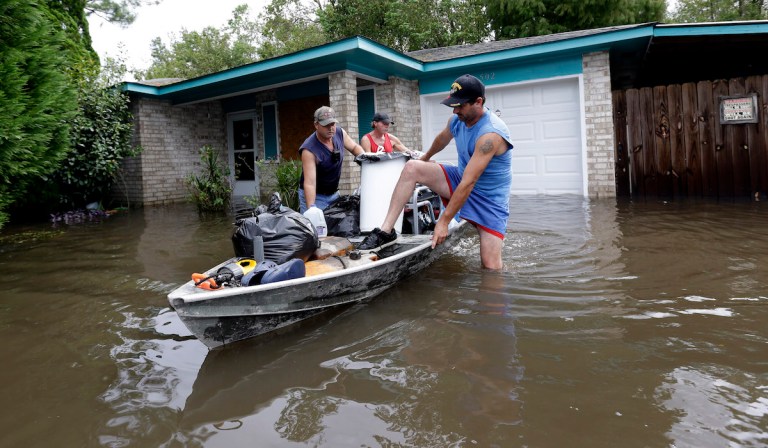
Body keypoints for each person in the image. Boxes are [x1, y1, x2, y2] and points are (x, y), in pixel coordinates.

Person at [357, 74, 513, 269]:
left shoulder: (491, 135)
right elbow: (442, 139)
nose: (455, 110)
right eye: (453, 105)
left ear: (478, 102)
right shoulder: (457, 120)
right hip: (460, 177)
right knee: (412, 168)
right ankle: (386, 231)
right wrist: (424, 159)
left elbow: (469, 183)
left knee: (490, 268)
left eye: (460, 105)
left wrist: (444, 221)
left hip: (489, 200)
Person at [299, 106, 365, 213]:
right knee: (315, 227)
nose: (330, 128)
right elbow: (310, 183)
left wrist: (367, 160)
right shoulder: (309, 150)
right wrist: (312, 209)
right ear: (316, 125)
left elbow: (354, 148)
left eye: (333, 124)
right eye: (326, 125)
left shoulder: (339, 133)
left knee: (336, 227)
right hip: (316, 197)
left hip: (334, 194)